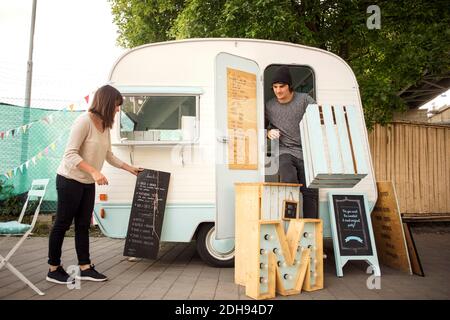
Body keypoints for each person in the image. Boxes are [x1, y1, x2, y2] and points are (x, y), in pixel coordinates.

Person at [46, 85, 143, 284]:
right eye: (117, 105)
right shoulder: (84, 121)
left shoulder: (105, 126)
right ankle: (53, 269)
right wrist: (94, 171)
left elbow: (108, 155)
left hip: (87, 182)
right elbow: (70, 154)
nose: (118, 110)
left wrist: (129, 168)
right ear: (107, 103)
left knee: (83, 225)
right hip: (69, 180)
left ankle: (85, 268)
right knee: (62, 224)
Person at [265, 66, 319, 218]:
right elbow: (259, 127)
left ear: (289, 86)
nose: (278, 90)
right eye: (275, 87)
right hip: (284, 151)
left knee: (310, 193)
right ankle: (290, 225)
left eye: (282, 86)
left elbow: (318, 117)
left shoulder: (304, 100)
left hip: (306, 152)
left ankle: (309, 231)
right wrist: (268, 133)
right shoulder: (269, 106)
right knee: (289, 181)